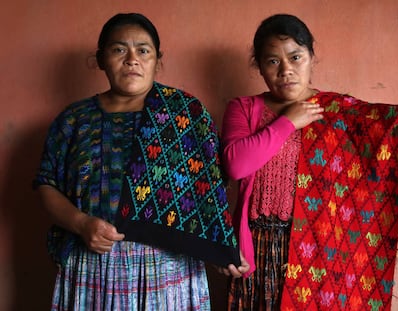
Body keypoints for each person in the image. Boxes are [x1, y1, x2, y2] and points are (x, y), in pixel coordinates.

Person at [34, 13, 248, 311]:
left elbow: (208, 192)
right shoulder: (73, 120)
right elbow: (47, 184)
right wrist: (82, 224)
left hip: (169, 269)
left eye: (143, 50)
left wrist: (217, 247)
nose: (132, 59)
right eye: (119, 49)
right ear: (101, 59)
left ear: (157, 60)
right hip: (93, 263)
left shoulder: (185, 114)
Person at [220, 13, 398, 310]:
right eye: (272, 61)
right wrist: (288, 122)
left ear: (311, 57)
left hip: (317, 251)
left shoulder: (337, 111)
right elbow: (236, 165)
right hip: (256, 249)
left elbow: (382, 131)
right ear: (259, 67)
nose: (286, 70)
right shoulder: (244, 108)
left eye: (296, 57)